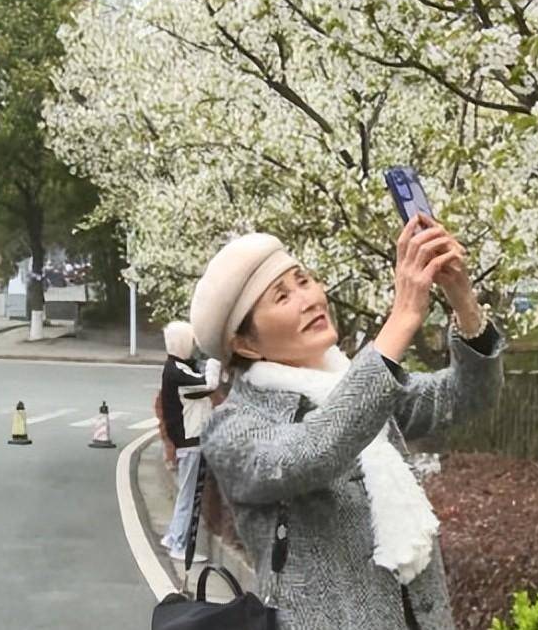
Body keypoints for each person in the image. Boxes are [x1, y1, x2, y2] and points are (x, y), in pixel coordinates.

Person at [191, 214, 504, 629]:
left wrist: (462, 300)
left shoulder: (355, 385)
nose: (308, 300)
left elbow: (466, 397)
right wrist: (403, 316)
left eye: (304, 281)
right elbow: (315, 450)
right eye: (282, 297)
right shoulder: (233, 428)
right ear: (245, 344)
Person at [158, 320, 220, 563]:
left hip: (186, 440)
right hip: (191, 440)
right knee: (189, 495)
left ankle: (173, 536)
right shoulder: (177, 372)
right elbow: (209, 384)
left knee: (186, 492)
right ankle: (179, 545)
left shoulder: (174, 368)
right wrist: (216, 360)